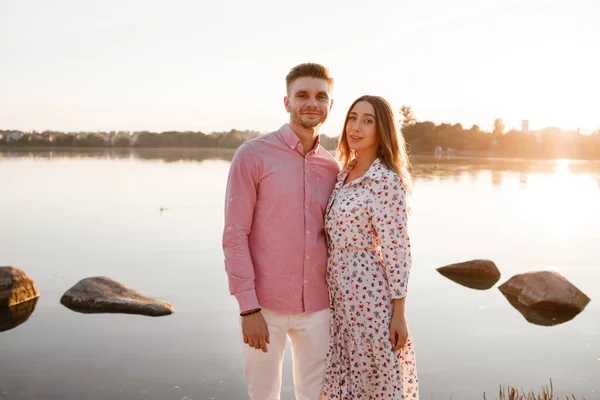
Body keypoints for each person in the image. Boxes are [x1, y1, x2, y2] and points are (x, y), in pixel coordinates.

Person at [222, 63, 340, 400]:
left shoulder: (332, 168)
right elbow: (234, 235)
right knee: (263, 394)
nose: (311, 103)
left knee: (316, 395)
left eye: (320, 96)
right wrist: (248, 309)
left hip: (318, 308)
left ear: (330, 105)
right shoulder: (253, 155)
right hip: (264, 307)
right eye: (302, 95)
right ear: (287, 102)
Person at [321, 95, 419, 399]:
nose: (356, 127)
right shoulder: (343, 172)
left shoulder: (384, 180)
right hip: (337, 290)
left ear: (382, 130)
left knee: (372, 377)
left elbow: (397, 249)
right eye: (352, 118)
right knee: (344, 374)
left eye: (367, 121)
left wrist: (398, 313)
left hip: (368, 292)